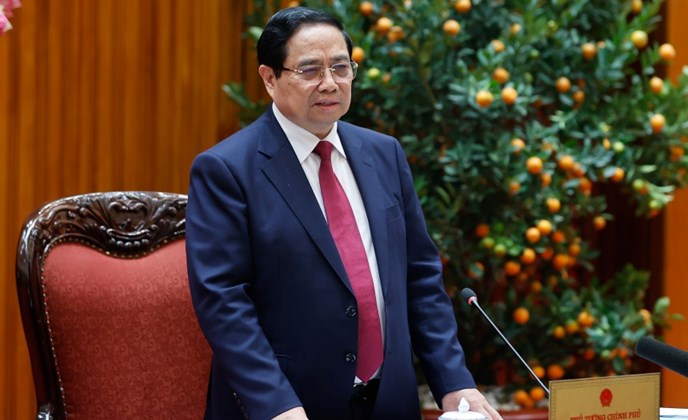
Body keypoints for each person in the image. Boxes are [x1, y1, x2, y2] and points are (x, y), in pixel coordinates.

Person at [186, 6, 501, 420]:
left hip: (389, 401)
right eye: (310, 70)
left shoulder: (384, 153)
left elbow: (419, 276)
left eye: (340, 67)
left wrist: (454, 381)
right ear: (269, 78)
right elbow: (224, 303)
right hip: (288, 405)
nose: (330, 83)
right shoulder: (226, 170)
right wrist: (277, 405)